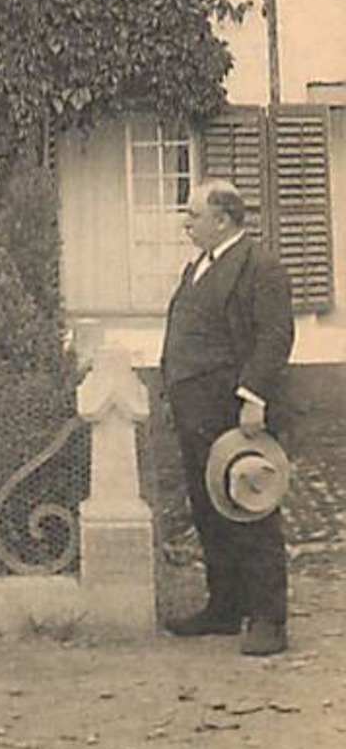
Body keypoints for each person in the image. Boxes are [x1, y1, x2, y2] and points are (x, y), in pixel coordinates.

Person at [160, 178, 294, 656]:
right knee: (209, 508)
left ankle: (268, 619)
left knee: (251, 505)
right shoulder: (197, 266)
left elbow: (275, 336)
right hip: (193, 409)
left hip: (235, 411)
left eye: (193, 216)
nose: (186, 225)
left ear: (222, 219)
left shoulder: (262, 267)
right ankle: (224, 607)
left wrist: (254, 396)